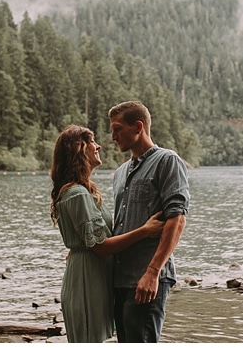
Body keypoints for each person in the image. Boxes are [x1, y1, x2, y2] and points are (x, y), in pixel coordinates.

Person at [49, 123, 171, 342]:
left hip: (90, 272)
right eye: (92, 142)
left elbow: (93, 238)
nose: (99, 146)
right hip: (87, 279)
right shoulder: (77, 194)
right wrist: (145, 231)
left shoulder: (82, 191)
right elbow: (101, 246)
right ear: (79, 149)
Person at [104, 101, 191, 341]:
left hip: (146, 279)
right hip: (120, 280)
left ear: (138, 127)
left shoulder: (167, 161)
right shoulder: (121, 172)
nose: (113, 136)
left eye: (117, 128)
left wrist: (153, 272)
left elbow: (177, 219)